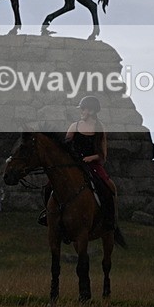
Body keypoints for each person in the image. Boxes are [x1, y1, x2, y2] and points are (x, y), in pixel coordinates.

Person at [38, 96, 118, 230]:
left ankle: (109, 220)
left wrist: (91, 158)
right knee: (49, 186)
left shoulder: (100, 128)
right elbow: (65, 147)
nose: (81, 112)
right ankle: (48, 214)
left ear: (91, 111)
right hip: (74, 164)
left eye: (83, 109)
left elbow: (103, 154)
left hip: (92, 164)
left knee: (109, 186)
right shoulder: (74, 126)